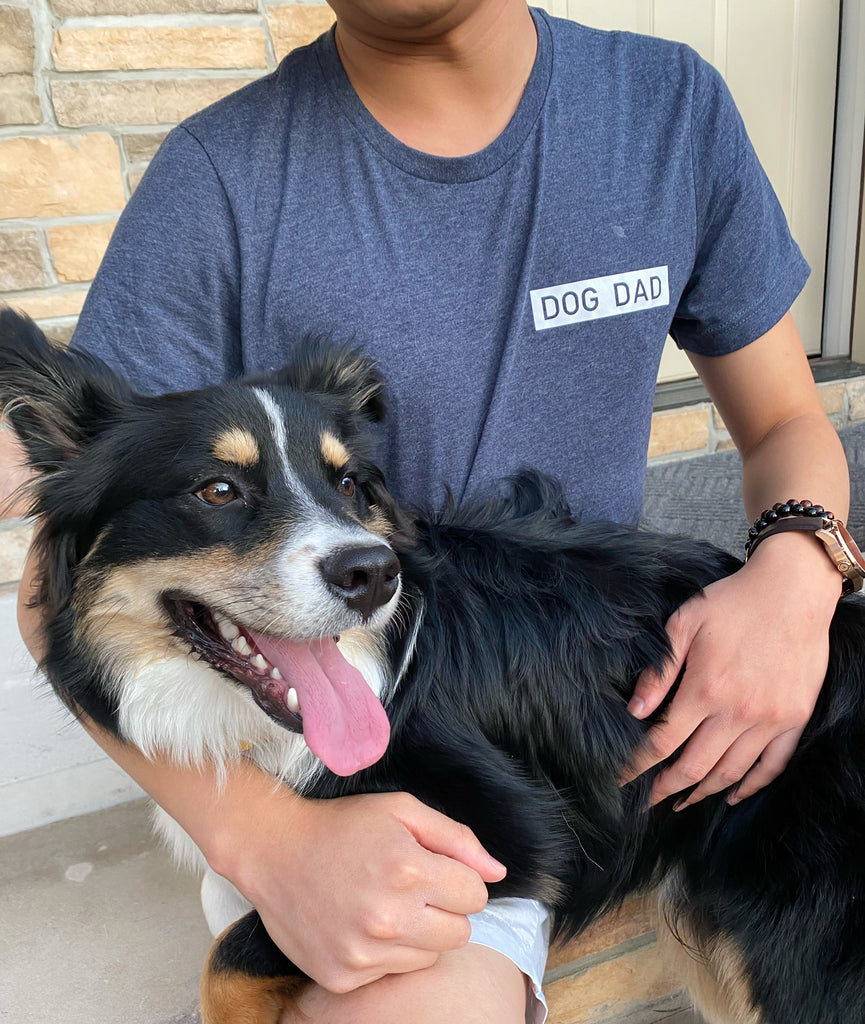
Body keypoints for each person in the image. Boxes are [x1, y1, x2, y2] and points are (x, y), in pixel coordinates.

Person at [6, 0, 851, 1021]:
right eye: (228, 490)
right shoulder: (217, 180)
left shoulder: (667, 108)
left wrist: (800, 577)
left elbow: (783, 424)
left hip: (609, 687)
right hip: (318, 753)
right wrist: (270, 845)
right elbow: (61, 588)